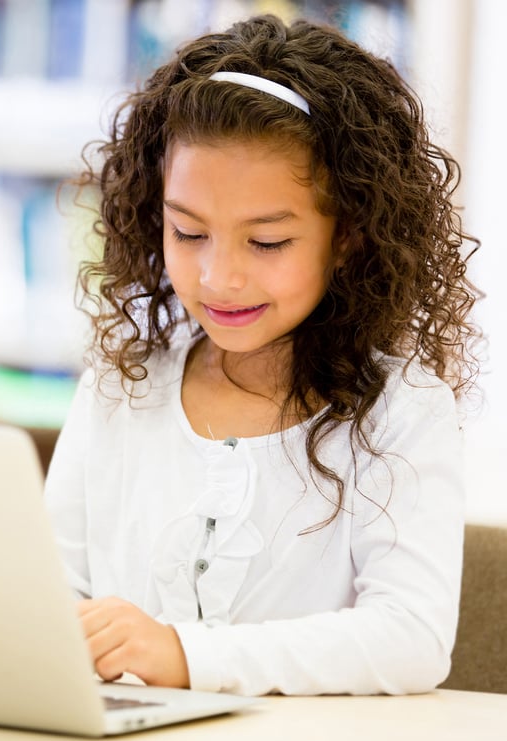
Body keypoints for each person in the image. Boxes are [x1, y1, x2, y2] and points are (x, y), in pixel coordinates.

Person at [43, 14, 482, 697]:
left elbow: (409, 638)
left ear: (350, 237)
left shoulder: (402, 413)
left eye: (267, 242)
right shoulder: (122, 385)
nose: (219, 277)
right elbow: (45, 594)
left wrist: (184, 655)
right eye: (188, 232)